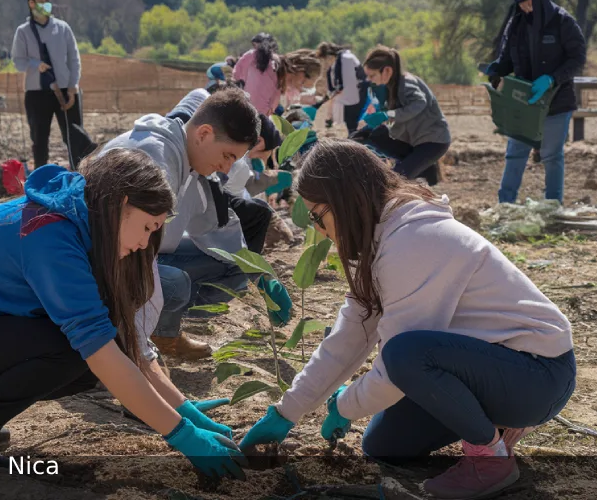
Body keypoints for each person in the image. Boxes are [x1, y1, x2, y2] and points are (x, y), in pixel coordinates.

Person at [240, 140, 575, 498]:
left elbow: (399, 362)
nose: (318, 230)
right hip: (491, 368)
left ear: (343, 201)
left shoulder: (413, 240)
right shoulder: (379, 240)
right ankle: (498, 426)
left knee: (404, 354)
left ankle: (489, 459)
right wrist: (287, 412)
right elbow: (350, 335)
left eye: (316, 216)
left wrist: (344, 403)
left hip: (536, 376)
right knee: (384, 444)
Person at [0, 149, 248, 478]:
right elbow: (104, 352)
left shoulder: (84, 223)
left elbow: (128, 344)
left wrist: (184, 410)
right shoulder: (53, 236)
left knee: (88, 358)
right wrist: (182, 436)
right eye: (146, 227)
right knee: (75, 351)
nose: (145, 243)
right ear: (122, 204)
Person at [100, 88, 293, 360]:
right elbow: (123, 248)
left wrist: (262, 277)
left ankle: (159, 331)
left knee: (234, 265)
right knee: (175, 284)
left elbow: (218, 232)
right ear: (203, 134)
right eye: (227, 156)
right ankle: (123, 339)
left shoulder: (194, 168)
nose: (227, 168)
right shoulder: (153, 158)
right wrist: (142, 361)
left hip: (143, 254)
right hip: (102, 263)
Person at [485, 0, 587, 205]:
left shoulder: (563, 23)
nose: (524, 7)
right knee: (515, 154)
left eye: (529, 2)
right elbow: (506, 58)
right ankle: (505, 205)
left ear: (541, 0)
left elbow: (577, 58)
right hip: (523, 103)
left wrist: (552, 78)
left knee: (551, 156)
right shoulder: (517, 23)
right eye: (521, 2)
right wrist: (497, 69)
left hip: (556, 102)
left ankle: (552, 206)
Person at [11, 0, 92, 169]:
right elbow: (18, 61)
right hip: (36, 93)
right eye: (42, 0)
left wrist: (73, 88)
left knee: (74, 136)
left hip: (65, 90)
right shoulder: (23, 31)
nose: (46, 4)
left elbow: (74, 59)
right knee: (39, 139)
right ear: (31, 3)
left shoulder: (62, 28)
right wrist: (35, 65)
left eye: (48, 0)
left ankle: (81, 174)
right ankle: (40, 179)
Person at [355, 46, 451, 185]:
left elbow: (419, 103)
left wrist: (387, 115)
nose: (370, 80)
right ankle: (427, 174)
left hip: (433, 142)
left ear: (387, 70)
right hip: (416, 142)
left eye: (372, 75)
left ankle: (425, 177)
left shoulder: (406, 83)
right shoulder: (391, 86)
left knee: (396, 178)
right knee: (374, 135)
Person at [316, 42, 368, 135]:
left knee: (351, 126)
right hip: (351, 96)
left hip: (357, 97)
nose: (325, 63)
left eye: (325, 60)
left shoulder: (346, 59)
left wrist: (333, 98)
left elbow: (348, 85)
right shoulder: (337, 63)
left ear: (329, 56)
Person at [231, 33, 280, 114]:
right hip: (266, 109)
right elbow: (278, 88)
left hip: (248, 107)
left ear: (256, 44)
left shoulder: (250, 55)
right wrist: (272, 107)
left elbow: (236, 74)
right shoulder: (276, 61)